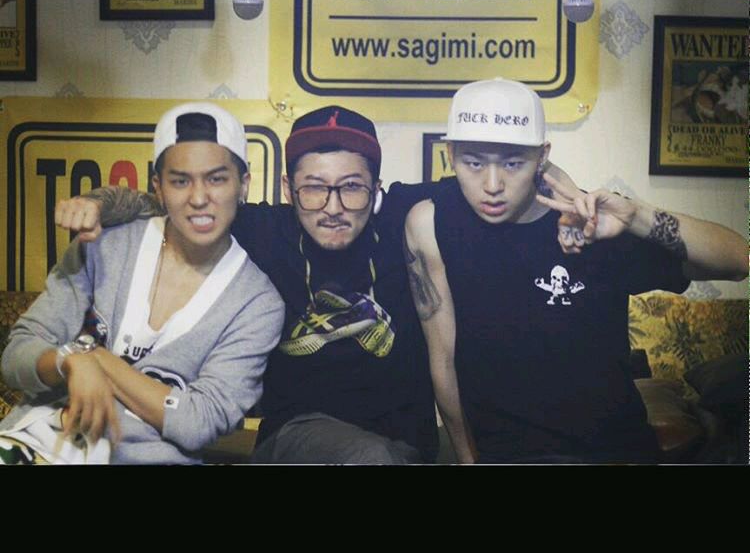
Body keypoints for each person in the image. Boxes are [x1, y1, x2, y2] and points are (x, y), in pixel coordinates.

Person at [52, 104, 576, 464]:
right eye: (313, 189)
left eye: (352, 188)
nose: (333, 207)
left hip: (401, 449)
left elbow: (504, 174)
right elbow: (162, 201)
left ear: (376, 187)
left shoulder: (402, 216)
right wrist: (96, 203)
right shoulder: (261, 228)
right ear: (287, 187)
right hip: (294, 440)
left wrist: (578, 196)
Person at [403, 78, 747, 464]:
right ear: (451, 153)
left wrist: (637, 215)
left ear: (542, 156)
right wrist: (470, 462)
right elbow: (443, 359)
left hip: (615, 453)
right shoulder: (431, 223)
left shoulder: (596, 222)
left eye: (513, 163)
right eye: (474, 162)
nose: (493, 185)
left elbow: (738, 261)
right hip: (509, 457)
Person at [0, 103, 285, 464]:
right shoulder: (104, 245)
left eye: (216, 179)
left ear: (243, 185)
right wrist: (67, 363)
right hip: (35, 443)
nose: (199, 198)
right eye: (180, 181)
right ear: (158, 188)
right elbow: (17, 354)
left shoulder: (257, 303)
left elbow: (201, 421)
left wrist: (95, 359)